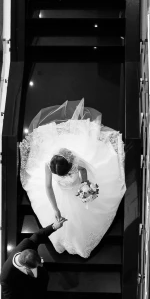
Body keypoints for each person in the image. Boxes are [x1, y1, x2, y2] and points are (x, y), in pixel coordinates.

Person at [20, 99, 126, 258]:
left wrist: (85, 184)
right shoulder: (48, 165)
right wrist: (55, 209)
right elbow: (48, 187)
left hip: (76, 187)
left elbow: (83, 170)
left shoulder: (76, 161)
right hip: (61, 193)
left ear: (70, 165)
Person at [0, 218, 66, 299]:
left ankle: (42, 295)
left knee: (43, 286)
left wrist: (54, 227)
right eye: (37, 265)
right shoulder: (6, 276)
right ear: (25, 266)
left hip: (40, 278)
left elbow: (38, 235)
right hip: (27, 288)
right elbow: (9, 296)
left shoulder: (26, 244)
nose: (41, 264)